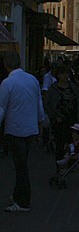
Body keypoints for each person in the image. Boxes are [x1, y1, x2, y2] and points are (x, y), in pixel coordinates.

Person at [0, 51, 45, 212]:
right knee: (22, 163)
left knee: (21, 167)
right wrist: (40, 124)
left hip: (15, 129)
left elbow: (1, 108)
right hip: (30, 128)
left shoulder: (7, 83)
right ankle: (18, 195)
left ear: (5, 65)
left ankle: (24, 200)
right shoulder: (31, 79)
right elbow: (39, 104)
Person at [47, 64, 79, 163]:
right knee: (60, 143)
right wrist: (54, 116)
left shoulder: (72, 87)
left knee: (72, 143)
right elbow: (48, 104)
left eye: (67, 73)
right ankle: (60, 164)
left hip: (72, 119)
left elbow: (78, 102)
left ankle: (70, 163)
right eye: (63, 73)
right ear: (58, 75)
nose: (66, 76)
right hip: (60, 120)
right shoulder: (53, 89)